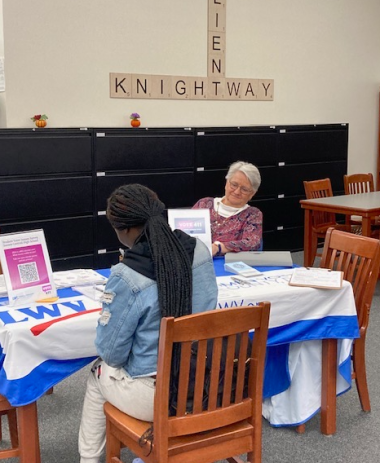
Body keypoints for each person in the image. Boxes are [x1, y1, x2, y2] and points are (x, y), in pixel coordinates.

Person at [78, 184, 218, 463]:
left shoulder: (127, 276)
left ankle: (88, 460)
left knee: (97, 373)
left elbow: (112, 353)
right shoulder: (199, 250)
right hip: (207, 384)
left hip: (161, 396)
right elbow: (209, 306)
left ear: (124, 230)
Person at [193, 161, 262, 256]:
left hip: (228, 265)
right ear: (226, 182)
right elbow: (183, 232)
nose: (237, 192)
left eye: (244, 189)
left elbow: (252, 243)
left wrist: (219, 247)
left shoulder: (253, 214)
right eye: (234, 184)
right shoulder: (204, 204)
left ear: (252, 194)